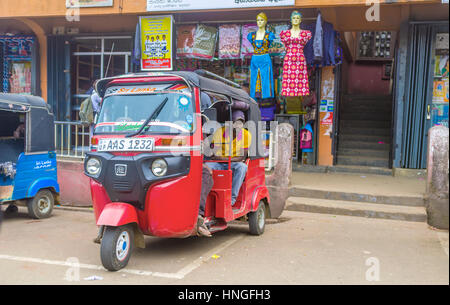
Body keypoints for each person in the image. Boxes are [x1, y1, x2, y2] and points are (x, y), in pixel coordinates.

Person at [206, 109, 251, 206]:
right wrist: (222, 159)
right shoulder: (220, 132)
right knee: (205, 167)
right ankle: (206, 196)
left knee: (242, 167)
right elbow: (214, 153)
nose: (238, 125)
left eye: (241, 123)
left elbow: (241, 157)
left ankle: (232, 199)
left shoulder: (246, 135)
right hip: (219, 163)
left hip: (234, 163)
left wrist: (224, 159)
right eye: (236, 122)